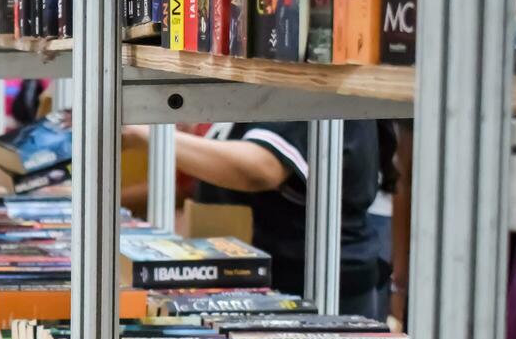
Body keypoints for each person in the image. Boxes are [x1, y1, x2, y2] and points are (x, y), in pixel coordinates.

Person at [123, 121, 389, 316]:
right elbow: (206, 180)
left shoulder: (308, 89)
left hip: (308, 288)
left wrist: (146, 134)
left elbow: (262, 167)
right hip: (250, 283)